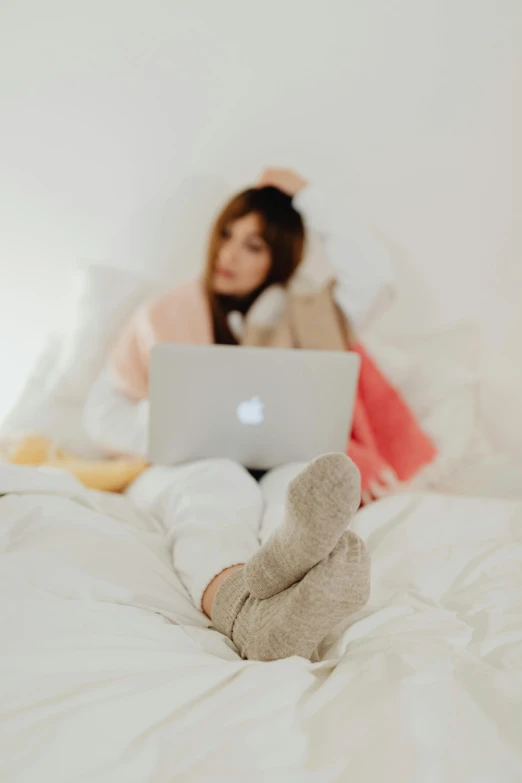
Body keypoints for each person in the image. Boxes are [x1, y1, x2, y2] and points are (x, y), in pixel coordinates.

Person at [84, 168, 433, 661]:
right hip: (184, 466)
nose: (228, 254)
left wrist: (307, 195)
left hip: (278, 460)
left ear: (280, 258)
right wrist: (172, 426)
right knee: (216, 485)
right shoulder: (163, 315)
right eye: (227, 234)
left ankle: (287, 596)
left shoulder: (308, 312)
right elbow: (100, 412)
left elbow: (373, 277)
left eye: (254, 245)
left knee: (302, 485)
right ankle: (244, 613)